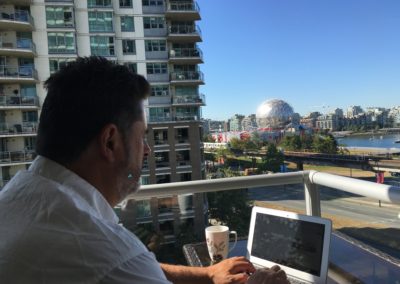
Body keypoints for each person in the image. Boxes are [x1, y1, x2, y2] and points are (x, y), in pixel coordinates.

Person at [0, 57, 289, 284]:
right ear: (110, 142)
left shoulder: (18, 196)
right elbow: (120, 263)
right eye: (141, 137)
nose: (147, 150)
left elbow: (135, 265)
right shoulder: (102, 251)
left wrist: (207, 274)